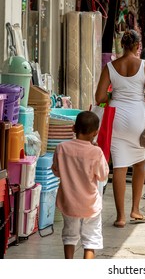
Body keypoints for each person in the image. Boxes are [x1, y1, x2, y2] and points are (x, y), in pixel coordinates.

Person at [95, 29, 145, 227]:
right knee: (140, 163)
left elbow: (99, 97)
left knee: (120, 166)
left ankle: (120, 216)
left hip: (117, 118)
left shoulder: (110, 67)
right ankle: (136, 210)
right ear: (138, 46)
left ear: (122, 45)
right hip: (138, 119)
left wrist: (113, 97)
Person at [51, 111, 110, 259]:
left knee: (69, 236)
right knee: (91, 239)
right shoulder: (96, 152)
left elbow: (57, 172)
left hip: (68, 202)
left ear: (73, 128)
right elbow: (103, 175)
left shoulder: (61, 148)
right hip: (90, 204)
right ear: (95, 133)